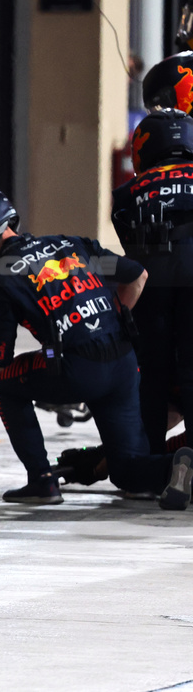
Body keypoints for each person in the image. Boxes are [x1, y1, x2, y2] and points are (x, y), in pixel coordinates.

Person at [0, 185, 193, 508]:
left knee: (4, 384)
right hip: (123, 362)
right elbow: (138, 275)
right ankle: (179, 466)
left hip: (78, 366)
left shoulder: (3, 273)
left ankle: (41, 481)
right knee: (130, 472)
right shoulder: (71, 243)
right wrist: (113, 321)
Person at [110, 110, 193, 454]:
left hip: (151, 284)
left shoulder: (126, 193)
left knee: (151, 374)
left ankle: (149, 468)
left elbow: (128, 241)